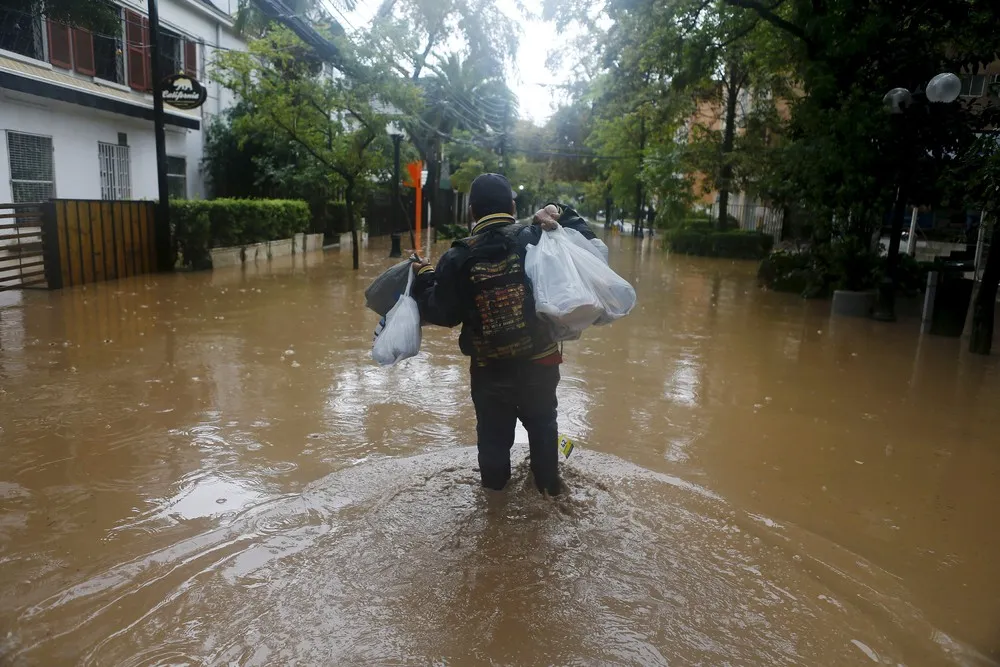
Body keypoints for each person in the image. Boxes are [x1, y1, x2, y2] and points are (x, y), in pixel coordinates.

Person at [412, 173, 597, 496]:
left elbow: (442, 314)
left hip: (489, 371)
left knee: (493, 441)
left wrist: (426, 275)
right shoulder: (536, 238)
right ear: (512, 206)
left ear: (472, 211)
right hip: (540, 363)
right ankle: (550, 491)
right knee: (543, 428)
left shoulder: (457, 256)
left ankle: (494, 504)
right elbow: (585, 243)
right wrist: (556, 210)